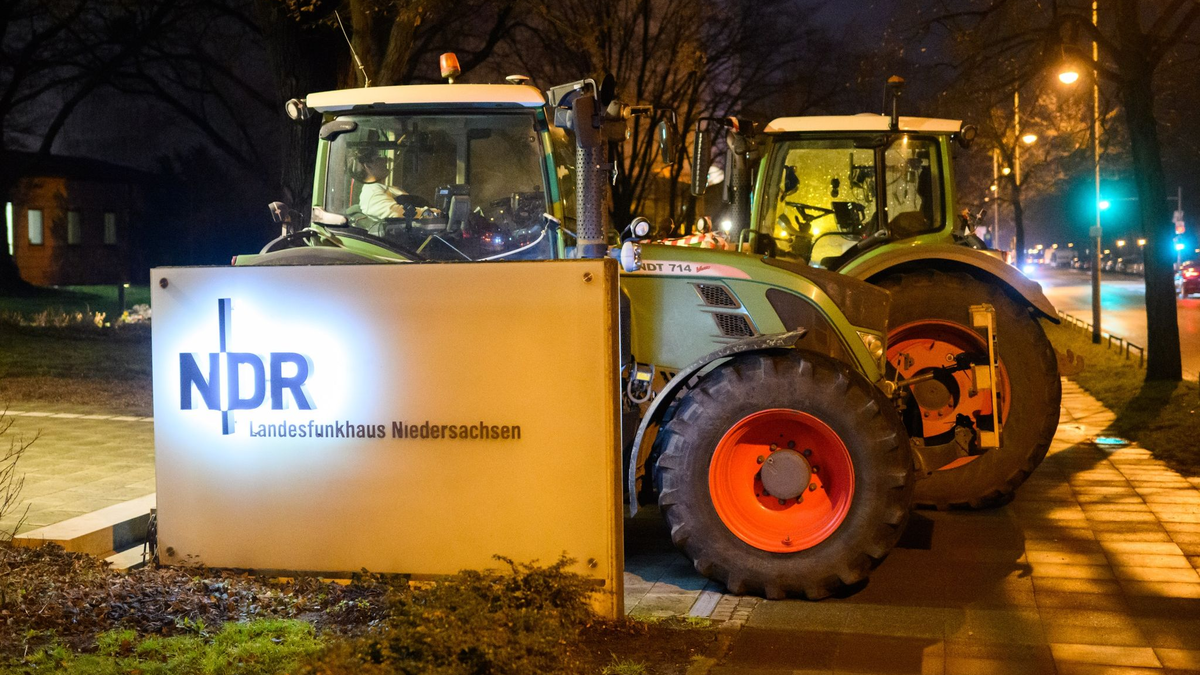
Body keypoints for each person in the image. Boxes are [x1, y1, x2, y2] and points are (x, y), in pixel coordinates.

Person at [352, 149, 439, 222]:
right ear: (368, 166)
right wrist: (430, 213)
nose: (384, 160)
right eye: (378, 158)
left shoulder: (385, 189)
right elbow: (396, 213)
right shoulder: (372, 194)